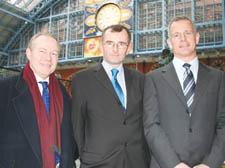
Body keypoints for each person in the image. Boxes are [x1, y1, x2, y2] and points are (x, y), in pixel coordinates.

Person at [143, 16, 225, 168]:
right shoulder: (153, 79)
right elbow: (151, 126)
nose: (183, 39)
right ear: (169, 43)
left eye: (187, 33)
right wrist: (174, 164)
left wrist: (210, 164)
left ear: (197, 37)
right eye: (176, 35)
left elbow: (223, 124)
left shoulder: (218, 78)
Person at [71, 24, 149, 168]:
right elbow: (77, 125)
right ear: (101, 46)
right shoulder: (81, 80)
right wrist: (87, 156)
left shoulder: (141, 80)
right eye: (110, 43)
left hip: (135, 161)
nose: (115, 49)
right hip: (97, 163)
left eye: (121, 44)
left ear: (129, 48)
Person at [0, 33, 77, 168]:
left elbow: (71, 132)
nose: (48, 58)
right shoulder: (5, 89)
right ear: (28, 53)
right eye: (42, 51)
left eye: (54, 53)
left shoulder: (62, 92)